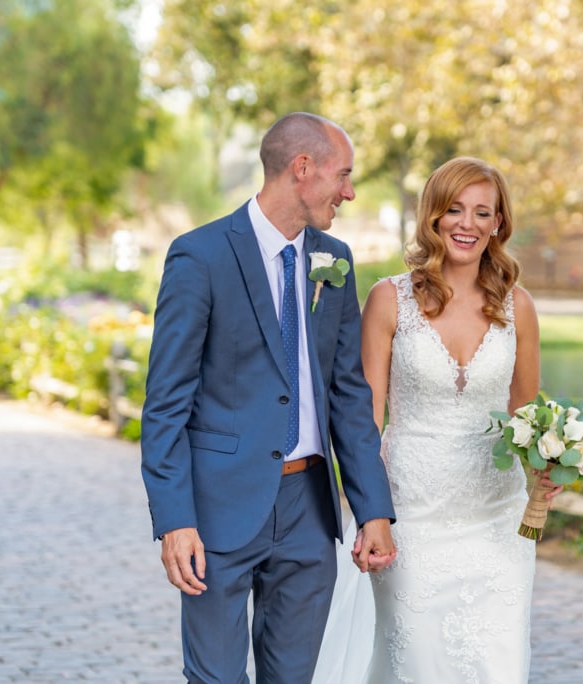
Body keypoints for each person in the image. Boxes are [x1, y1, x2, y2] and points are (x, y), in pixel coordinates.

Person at [140, 112, 397, 684]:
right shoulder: (199, 256)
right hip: (217, 511)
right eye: (343, 175)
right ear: (302, 169)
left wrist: (373, 509)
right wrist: (174, 519)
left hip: (309, 510)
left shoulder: (334, 259)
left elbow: (350, 396)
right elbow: (165, 406)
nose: (350, 192)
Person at [356, 156, 557, 682]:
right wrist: (369, 513)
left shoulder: (520, 307)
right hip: (410, 516)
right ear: (433, 218)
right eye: (455, 210)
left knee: (495, 665)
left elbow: (526, 416)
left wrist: (551, 465)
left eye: (482, 212)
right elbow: (365, 423)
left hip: (497, 521)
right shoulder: (388, 300)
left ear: (498, 224)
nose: (467, 224)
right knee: (414, 661)